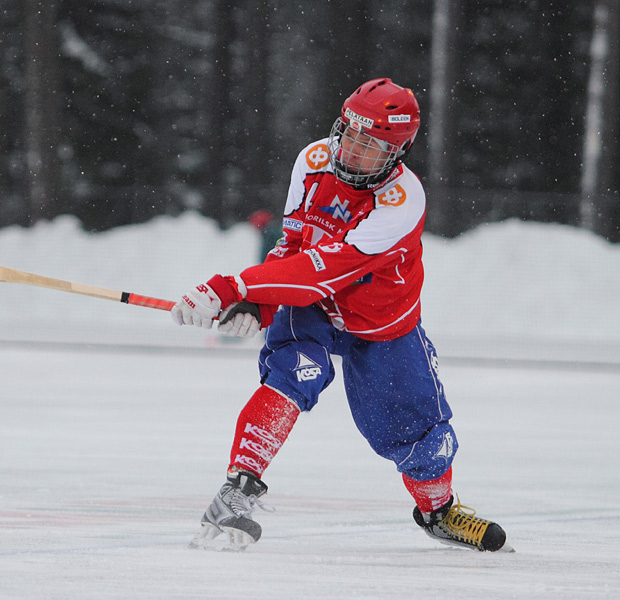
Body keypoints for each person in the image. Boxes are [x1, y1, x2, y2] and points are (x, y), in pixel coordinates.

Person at [172, 78, 509, 553]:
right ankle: (238, 491)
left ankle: (439, 511)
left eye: (367, 143)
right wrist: (260, 301)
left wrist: (234, 286)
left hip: (379, 324)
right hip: (310, 306)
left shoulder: (401, 201)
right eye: (347, 132)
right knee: (293, 374)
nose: (349, 149)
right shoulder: (314, 160)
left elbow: (327, 269)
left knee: (416, 431)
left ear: (397, 152)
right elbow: (292, 245)